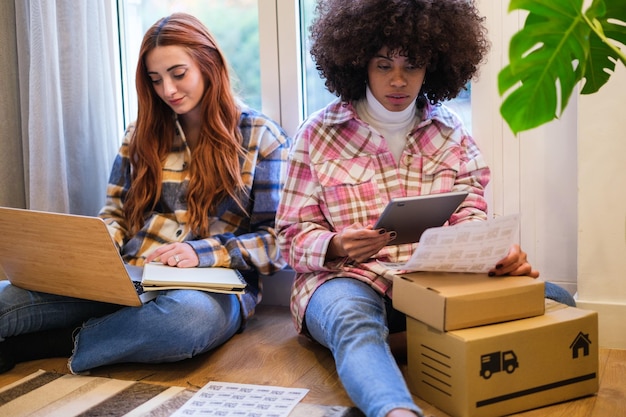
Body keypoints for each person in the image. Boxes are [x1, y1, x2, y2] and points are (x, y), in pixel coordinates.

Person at [275, 1, 576, 417]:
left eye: (412, 66)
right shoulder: (317, 134)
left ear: (433, 66)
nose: (398, 81)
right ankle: (396, 409)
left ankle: (403, 342)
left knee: (555, 297)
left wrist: (491, 252)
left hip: (432, 284)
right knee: (352, 319)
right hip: (350, 283)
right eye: (383, 66)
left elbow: (471, 211)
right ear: (359, 63)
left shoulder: (451, 131)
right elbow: (289, 237)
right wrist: (337, 244)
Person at [0, 13, 290, 375]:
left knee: (184, 322)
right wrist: (93, 251)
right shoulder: (140, 134)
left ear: (209, 63)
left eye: (178, 74)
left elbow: (278, 243)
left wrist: (199, 253)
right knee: (5, 297)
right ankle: (114, 326)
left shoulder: (262, 137)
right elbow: (115, 214)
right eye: (156, 80)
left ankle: (44, 343)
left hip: (208, 290)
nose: (168, 90)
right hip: (127, 276)